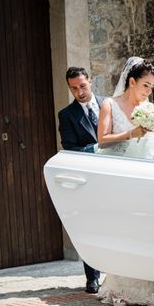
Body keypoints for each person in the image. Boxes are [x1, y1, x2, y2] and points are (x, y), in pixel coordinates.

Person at [94, 57, 154, 306]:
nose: (148, 91)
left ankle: (145, 289)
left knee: (143, 229)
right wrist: (131, 133)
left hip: (142, 174)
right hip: (118, 174)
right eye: (145, 85)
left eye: (151, 87)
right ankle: (119, 290)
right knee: (122, 230)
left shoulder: (149, 109)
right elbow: (102, 139)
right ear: (131, 81)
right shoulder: (109, 105)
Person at [58, 67, 102, 293]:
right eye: (74, 88)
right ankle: (92, 277)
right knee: (90, 226)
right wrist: (96, 148)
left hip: (114, 176)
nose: (79, 92)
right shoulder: (66, 115)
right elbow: (70, 149)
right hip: (87, 179)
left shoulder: (109, 105)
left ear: (91, 81)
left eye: (82, 86)